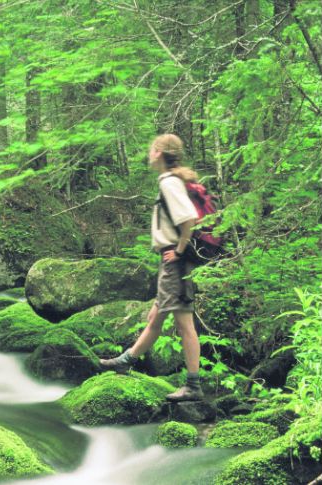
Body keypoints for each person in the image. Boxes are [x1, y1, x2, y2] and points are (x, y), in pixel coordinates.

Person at [100, 133, 204, 402]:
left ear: (159, 152)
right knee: (154, 318)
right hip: (170, 262)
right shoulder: (171, 181)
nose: (149, 153)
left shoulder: (170, 183)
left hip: (175, 261)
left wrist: (179, 251)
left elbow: (188, 221)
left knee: (184, 324)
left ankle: (193, 386)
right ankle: (127, 360)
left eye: (151, 149)